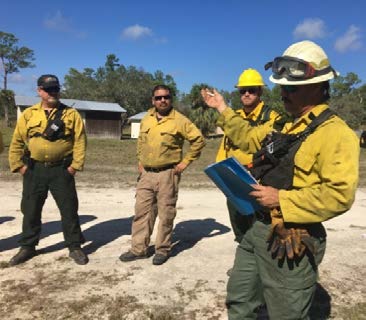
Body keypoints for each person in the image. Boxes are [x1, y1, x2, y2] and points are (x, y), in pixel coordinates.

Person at [201, 40, 359, 319]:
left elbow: (339, 195)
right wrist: (223, 109)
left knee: (286, 313)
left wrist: (281, 199)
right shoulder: (284, 125)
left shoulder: (336, 133)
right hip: (256, 228)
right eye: (282, 86)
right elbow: (248, 137)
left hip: (291, 236)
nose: (283, 93)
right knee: (239, 299)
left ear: (318, 86)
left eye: (291, 87)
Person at [119, 84, 205, 265]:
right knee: (142, 213)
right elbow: (141, 142)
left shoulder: (180, 120)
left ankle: (162, 249)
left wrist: (184, 163)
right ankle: (138, 249)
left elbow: (198, 140)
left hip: (168, 173)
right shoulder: (147, 118)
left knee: (166, 213)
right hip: (146, 174)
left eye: (165, 97)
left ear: (170, 99)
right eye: (158, 98)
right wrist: (140, 161)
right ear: (153, 100)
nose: (162, 100)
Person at [8, 74, 88, 266]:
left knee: (69, 209)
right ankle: (28, 246)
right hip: (34, 170)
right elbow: (17, 141)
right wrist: (19, 166)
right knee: (31, 209)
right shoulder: (29, 114)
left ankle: (74, 246)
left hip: (62, 169)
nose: (53, 92)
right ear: (39, 91)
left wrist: (74, 167)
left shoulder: (71, 114)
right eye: (48, 89)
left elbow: (80, 142)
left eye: (56, 89)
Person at [216, 68, 278, 245]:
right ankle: (244, 259)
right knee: (238, 220)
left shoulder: (272, 117)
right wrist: (221, 173)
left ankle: (261, 264)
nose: (247, 94)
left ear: (260, 91)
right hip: (235, 176)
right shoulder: (234, 117)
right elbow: (226, 145)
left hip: (260, 177)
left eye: (252, 90)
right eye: (243, 90)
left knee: (259, 225)